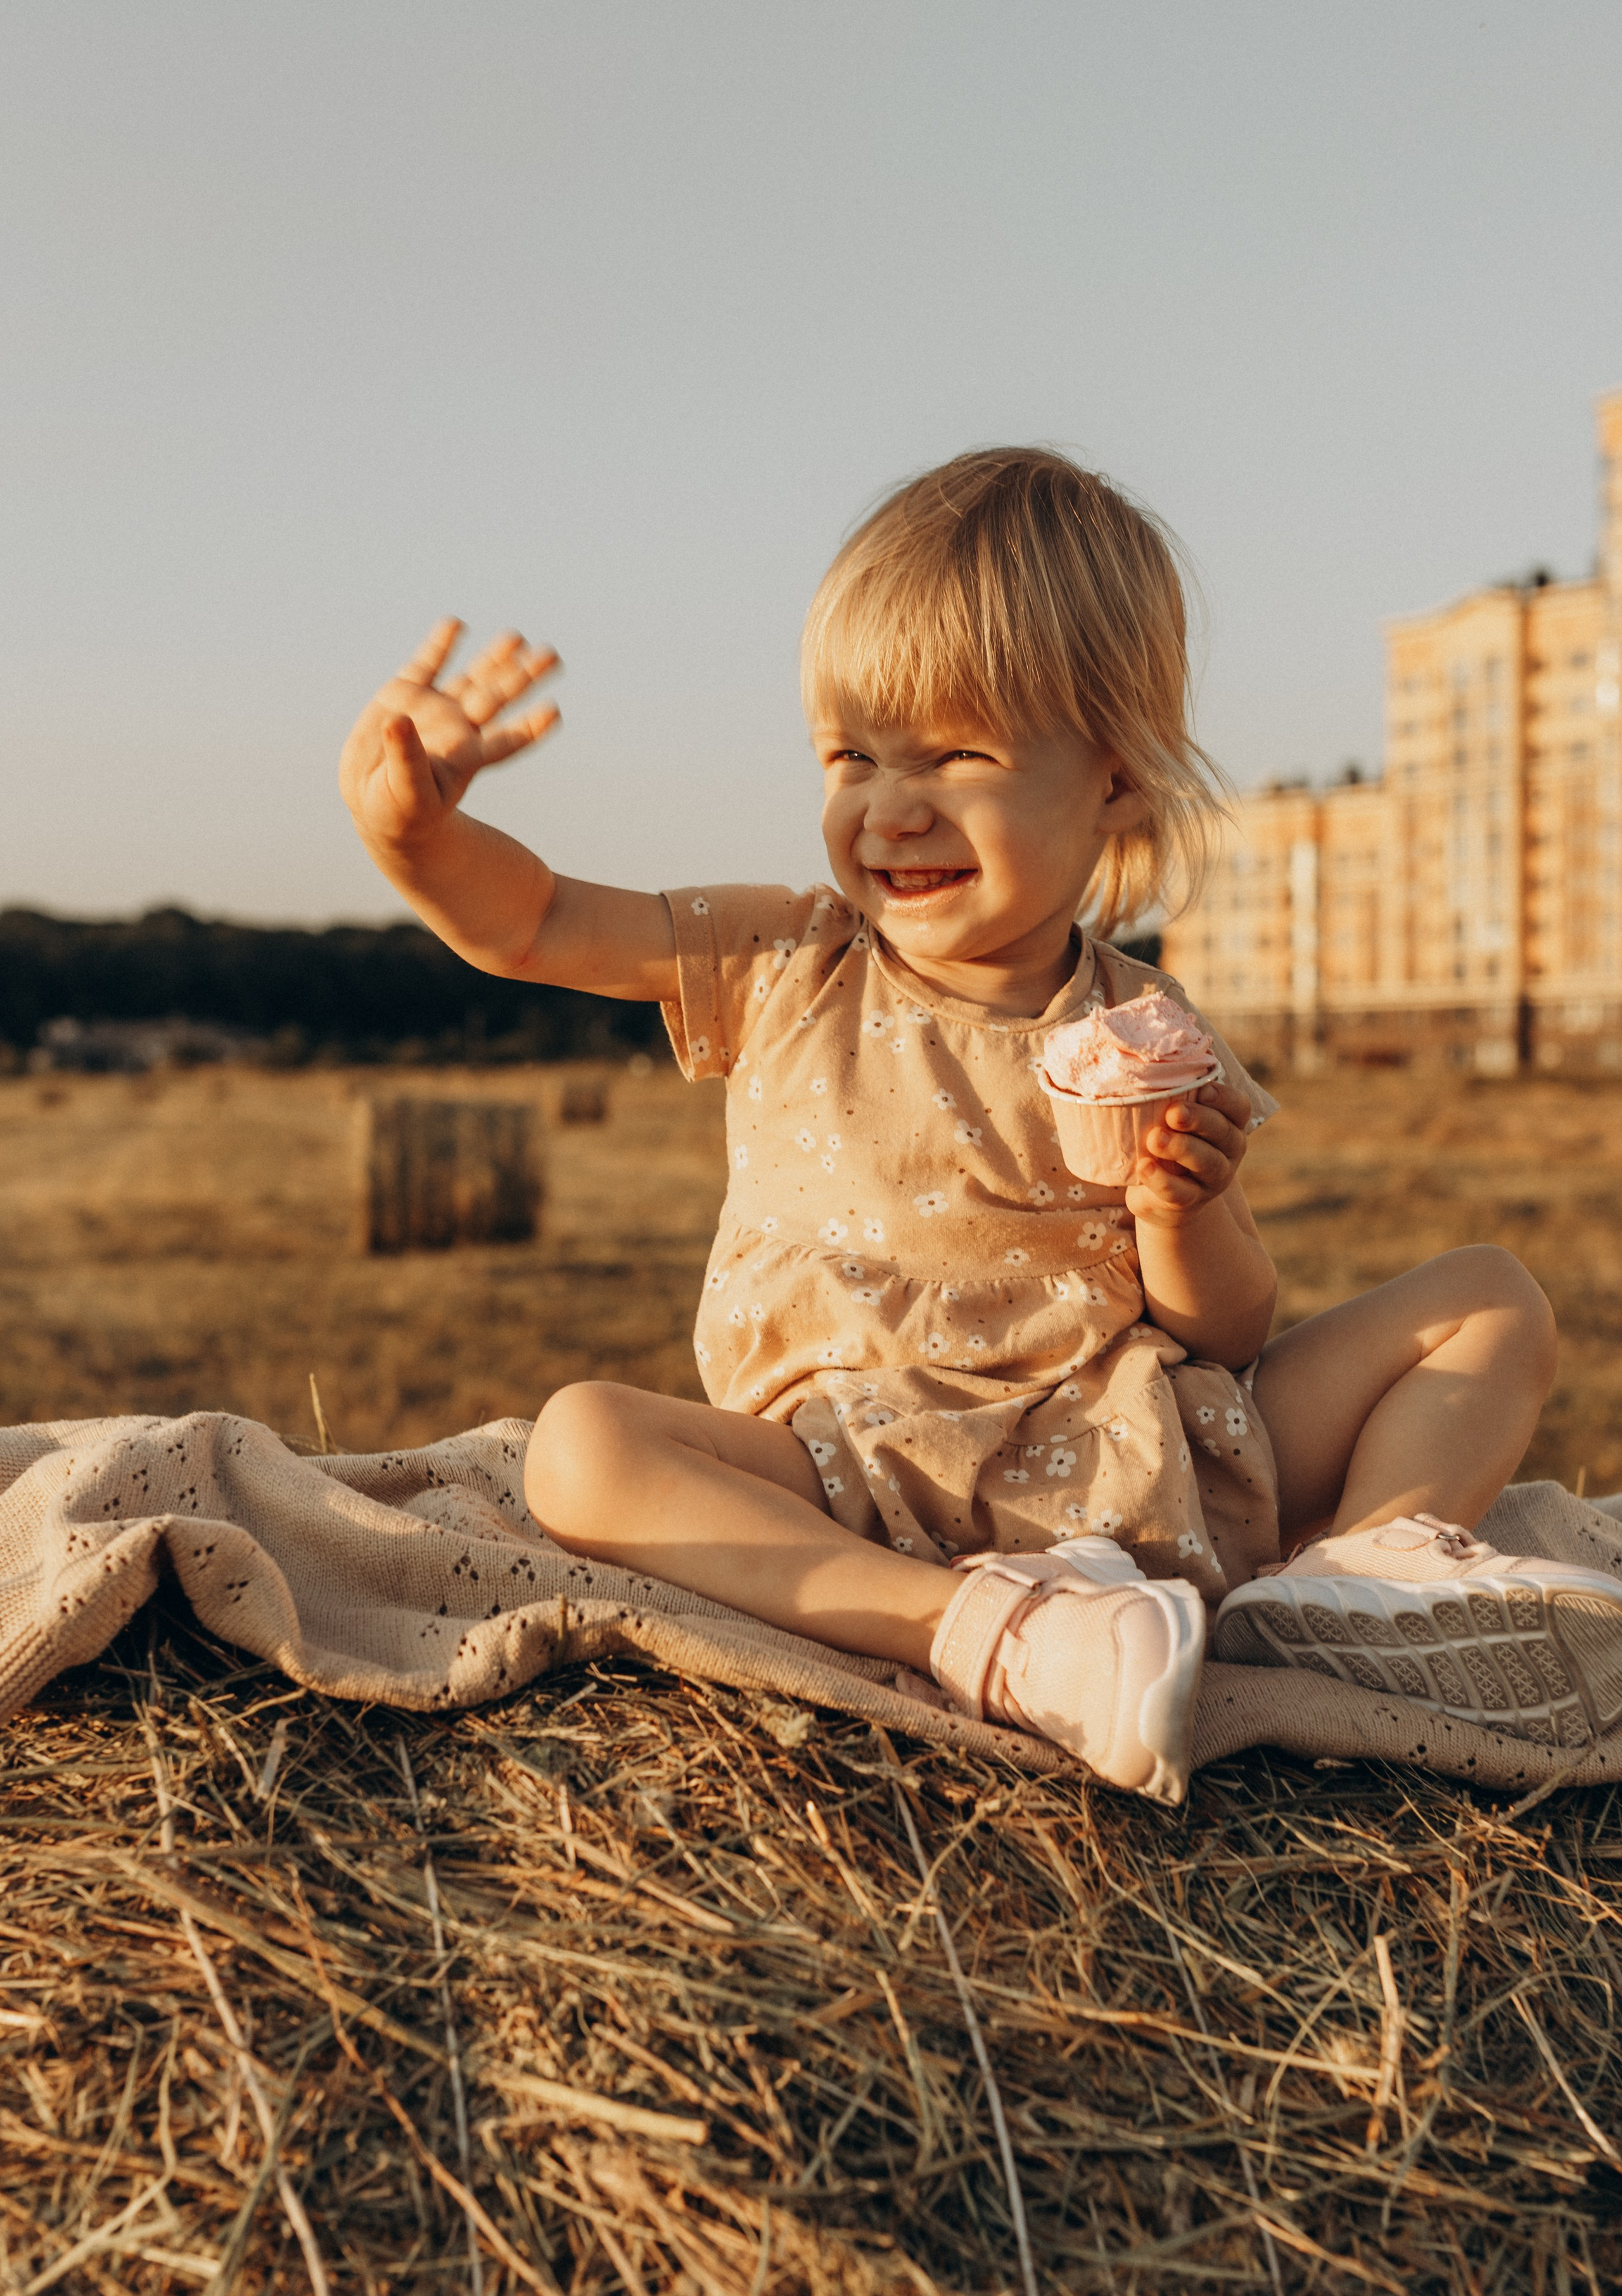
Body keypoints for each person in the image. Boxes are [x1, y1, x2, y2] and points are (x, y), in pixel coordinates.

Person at [338, 449, 1619, 1804]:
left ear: (1112, 786)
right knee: (580, 1445)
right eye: (852, 754)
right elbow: (534, 921)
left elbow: (1229, 1330)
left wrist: (1178, 1213)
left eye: (957, 753)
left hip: (1136, 1455)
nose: (891, 805)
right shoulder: (786, 958)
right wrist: (415, 836)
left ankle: (1362, 1575)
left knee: (1490, 1299)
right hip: (845, 1469)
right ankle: (968, 1632)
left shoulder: (1148, 1025)